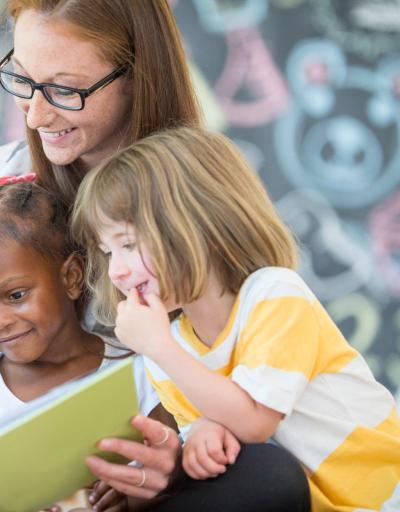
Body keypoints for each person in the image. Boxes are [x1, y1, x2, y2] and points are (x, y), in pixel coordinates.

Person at [0, 1, 310, 510]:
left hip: (155, 491)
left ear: (137, 74)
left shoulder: (195, 192)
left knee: (269, 477)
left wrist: (176, 460)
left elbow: (263, 379)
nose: (35, 113)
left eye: (63, 89)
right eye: (23, 79)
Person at [71, 125, 400, 512]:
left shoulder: (274, 295)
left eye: (127, 244)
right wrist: (202, 438)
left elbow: (254, 421)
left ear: (201, 228)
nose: (116, 272)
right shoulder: (170, 346)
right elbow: (219, 437)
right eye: (108, 253)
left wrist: (160, 350)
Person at [0, 179, 157, 510]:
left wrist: (129, 498)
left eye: (15, 295)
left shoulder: (135, 371)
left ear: (71, 277)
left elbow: (172, 475)